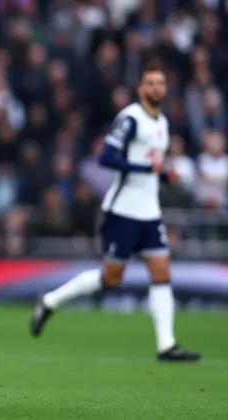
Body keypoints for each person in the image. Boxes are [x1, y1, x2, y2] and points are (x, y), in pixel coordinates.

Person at [30, 62, 201, 362]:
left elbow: (150, 168)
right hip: (122, 211)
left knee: (162, 271)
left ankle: (166, 344)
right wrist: (147, 168)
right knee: (111, 279)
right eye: (151, 83)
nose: (156, 88)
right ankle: (50, 300)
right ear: (141, 88)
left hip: (149, 212)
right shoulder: (131, 119)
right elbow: (106, 157)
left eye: (161, 83)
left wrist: (163, 175)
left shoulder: (161, 123)